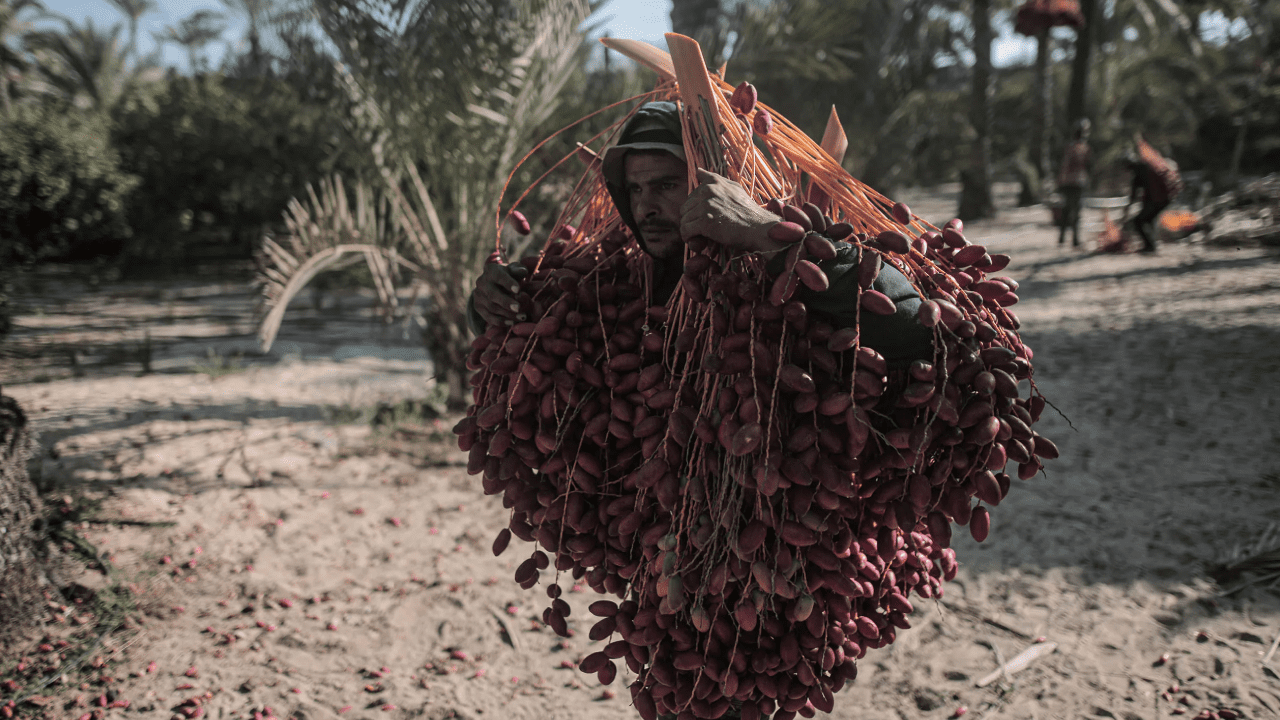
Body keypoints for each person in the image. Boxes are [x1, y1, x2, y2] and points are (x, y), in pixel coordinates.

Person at [469, 100, 933, 368]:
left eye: (667, 185)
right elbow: (531, 333)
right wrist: (488, 304)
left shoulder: (773, 271)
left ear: (713, 186)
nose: (645, 206)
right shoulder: (617, 278)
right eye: (633, 189)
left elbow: (914, 333)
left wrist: (764, 232)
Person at [1123, 135, 1182, 254]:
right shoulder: (1147, 166)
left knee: (1138, 221)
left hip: (1159, 199)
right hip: (1166, 198)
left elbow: (1133, 196)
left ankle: (1150, 246)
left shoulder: (1138, 172)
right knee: (1148, 219)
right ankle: (1152, 244)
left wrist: (1125, 213)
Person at [1056, 119, 1092, 247]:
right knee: (1074, 211)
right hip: (1075, 183)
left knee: (1068, 210)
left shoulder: (1071, 147)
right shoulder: (1082, 148)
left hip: (1070, 182)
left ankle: (1064, 238)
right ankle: (1073, 239)